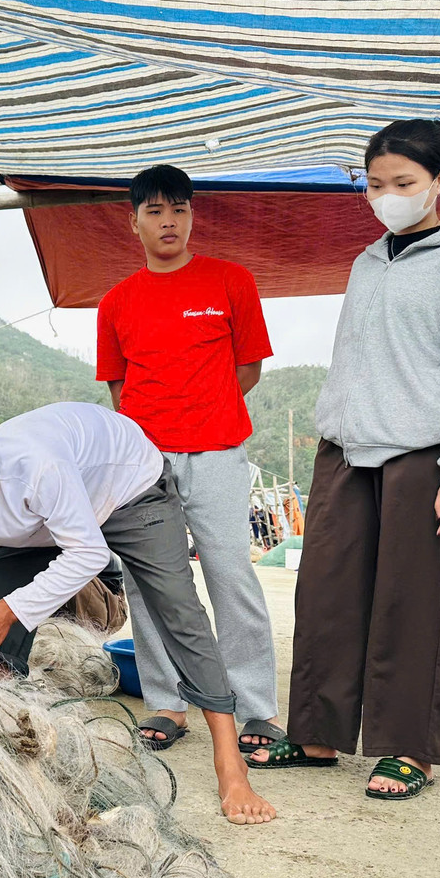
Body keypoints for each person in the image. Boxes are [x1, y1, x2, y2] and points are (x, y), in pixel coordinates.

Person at [250, 120, 440, 802]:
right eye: (376, 184)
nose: (387, 195)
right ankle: (315, 733)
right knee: (327, 592)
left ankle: (407, 747)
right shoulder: (368, 261)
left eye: (404, 183)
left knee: (414, 600)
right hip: (346, 450)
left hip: (425, 452)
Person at [0, 403, 276, 825]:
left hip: (128, 490)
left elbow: (88, 554)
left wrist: (10, 611)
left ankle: (230, 761)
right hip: (55, 514)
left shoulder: (34, 467)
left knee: (178, 611)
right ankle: (3, 705)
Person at [96, 163, 282, 756]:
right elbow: (118, 389)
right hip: (143, 464)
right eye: (154, 211)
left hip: (220, 454)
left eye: (178, 208)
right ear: (134, 223)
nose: (169, 221)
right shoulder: (117, 302)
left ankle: (256, 710)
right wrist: (153, 437)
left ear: (192, 216)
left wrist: (206, 411)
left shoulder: (231, 281)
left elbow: (248, 368)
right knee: (153, 583)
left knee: (232, 575)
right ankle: (167, 704)